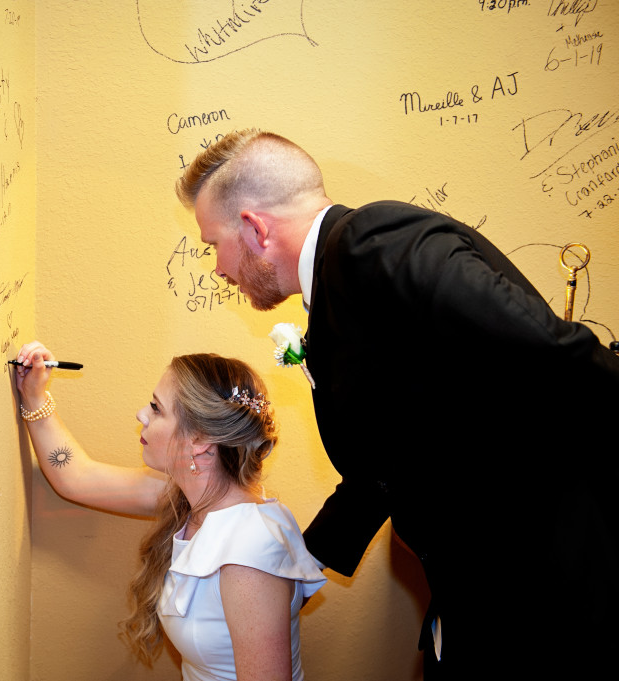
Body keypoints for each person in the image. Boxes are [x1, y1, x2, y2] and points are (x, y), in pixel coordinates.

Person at [176, 128, 619, 678]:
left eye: (212, 244)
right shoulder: (339, 281)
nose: (218, 267)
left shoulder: (374, 240)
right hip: (481, 589)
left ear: (254, 229)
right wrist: (289, 556)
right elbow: (392, 455)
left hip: (545, 593)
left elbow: (554, 353)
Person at [14, 341, 325, 681]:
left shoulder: (248, 554)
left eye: (156, 408)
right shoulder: (190, 496)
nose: (141, 415)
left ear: (200, 441)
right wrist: (34, 396)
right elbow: (75, 478)